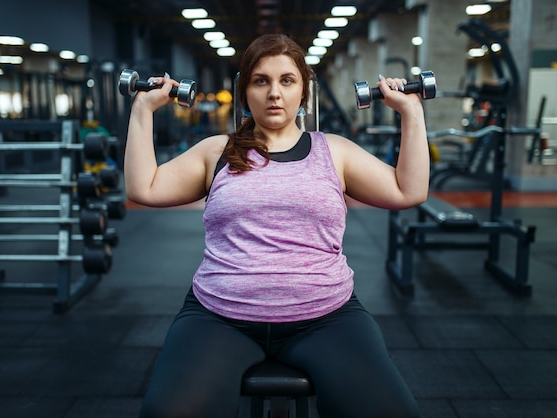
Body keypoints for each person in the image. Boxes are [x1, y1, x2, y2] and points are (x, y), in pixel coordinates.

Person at [125, 33, 427, 418]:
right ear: (244, 91)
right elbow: (143, 188)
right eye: (260, 80)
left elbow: (409, 190)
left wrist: (411, 113)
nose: (274, 93)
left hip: (325, 317)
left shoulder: (333, 151)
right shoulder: (216, 151)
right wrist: (143, 110)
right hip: (219, 317)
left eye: (287, 80)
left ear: (303, 91)